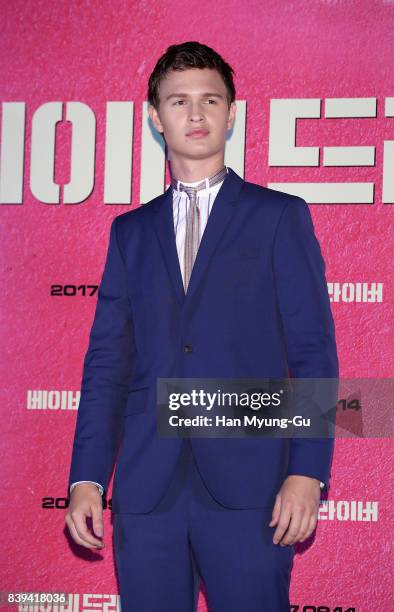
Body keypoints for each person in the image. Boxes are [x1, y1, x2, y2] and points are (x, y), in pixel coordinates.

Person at [65, 41, 338, 611]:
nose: (195, 114)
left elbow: (313, 354)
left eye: (210, 100)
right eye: (179, 101)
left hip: (253, 489)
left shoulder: (279, 216)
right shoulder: (130, 234)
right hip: (147, 492)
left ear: (231, 114)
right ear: (154, 117)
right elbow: (107, 366)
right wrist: (86, 478)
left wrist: (307, 473)